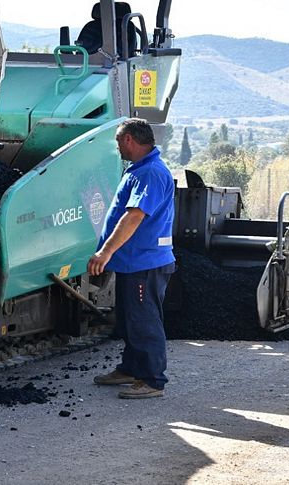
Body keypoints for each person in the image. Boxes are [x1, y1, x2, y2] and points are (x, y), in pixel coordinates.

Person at [88, 118, 176, 399]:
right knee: (130, 320)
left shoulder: (150, 172)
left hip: (145, 263)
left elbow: (134, 216)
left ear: (129, 140)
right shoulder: (140, 169)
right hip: (134, 262)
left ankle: (152, 380)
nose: (118, 148)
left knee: (144, 321)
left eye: (118, 142)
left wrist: (106, 252)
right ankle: (131, 368)